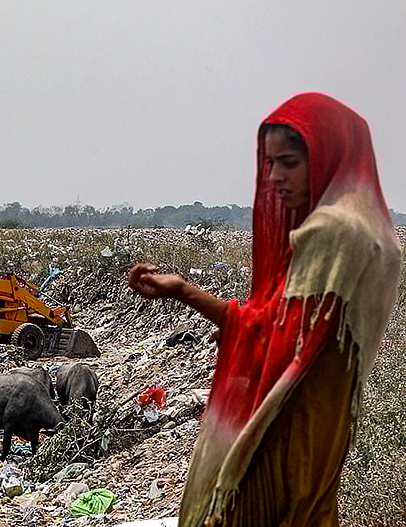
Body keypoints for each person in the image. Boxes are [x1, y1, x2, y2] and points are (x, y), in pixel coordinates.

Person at [128, 93, 400, 527]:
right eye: (270, 163)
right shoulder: (375, 232)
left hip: (287, 424)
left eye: (288, 162)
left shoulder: (333, 230)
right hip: (328, 420)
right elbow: (291, 328)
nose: (273, 176)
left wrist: (183, 292)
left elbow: (275, 336)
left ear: (327, 155)